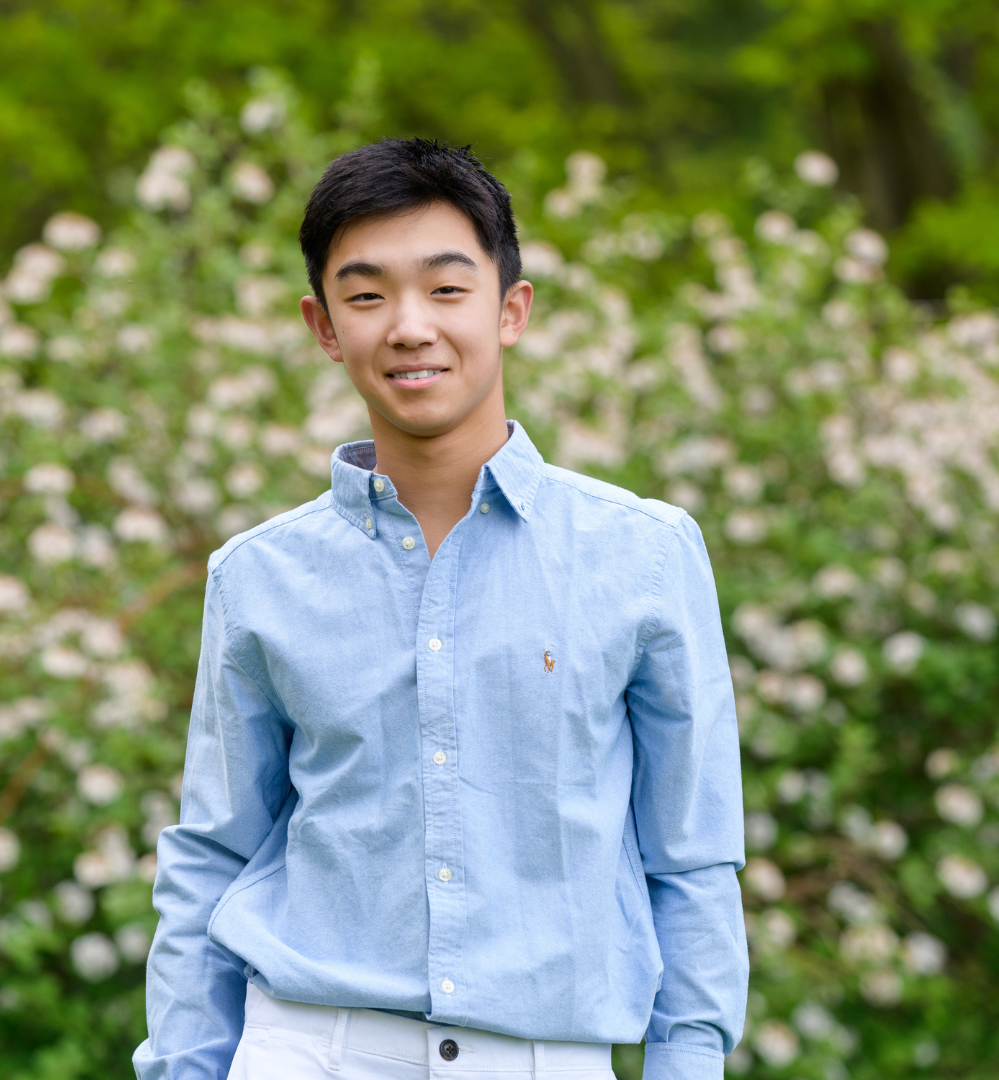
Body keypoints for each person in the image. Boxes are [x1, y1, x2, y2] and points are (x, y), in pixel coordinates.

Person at [133, 138, 747, 1080]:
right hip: (310, 1046)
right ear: (324, 326)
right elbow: (212, 855)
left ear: (512, 309)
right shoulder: (256, 577)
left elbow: (692, 861)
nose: (409, 327)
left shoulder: (645, 557)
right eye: (368, 294)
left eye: (447, 289)